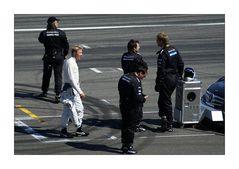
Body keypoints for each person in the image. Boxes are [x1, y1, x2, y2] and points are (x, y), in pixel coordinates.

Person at [155, 32, 184, 132]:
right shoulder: (174, 49)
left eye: (157, 40)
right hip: (174, 78)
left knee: (166, 101)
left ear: (161, 41)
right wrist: (179, 75)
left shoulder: (163, 54)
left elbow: (161, 70)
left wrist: (158, 83)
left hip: (166, 79)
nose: (156, 42)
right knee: (162, 100)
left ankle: (169, 123)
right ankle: (164, 119)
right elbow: (181, 63)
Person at [118, 61, 148, 154]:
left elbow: (120, 88)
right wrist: (144, 98)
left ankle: (124, 144)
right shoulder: (135, 81)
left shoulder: (124, 77)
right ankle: (128, 146)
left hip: (123, 104)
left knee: (124, 125)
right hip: (132, 107)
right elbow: (137, 97)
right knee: (131, 127)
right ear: (139, 73)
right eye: (144, 75)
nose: (144, 77)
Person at [60, 45, 89, 138]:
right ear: (74, 53)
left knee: (66, 111)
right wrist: (80, 91)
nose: (81, 54)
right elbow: (71, 79)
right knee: (78, 109)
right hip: (70, 90)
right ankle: (78, 128)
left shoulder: (70, 62)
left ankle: (64, 130)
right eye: (80, 52)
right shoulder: (70, 63)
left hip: (71, 90)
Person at [38, 16, 69, 103]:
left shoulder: (44, 33)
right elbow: (66, 46)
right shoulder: (62, 33)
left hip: (48, 56)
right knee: (58, 76)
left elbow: (41, 40)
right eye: (56, 22)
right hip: (59, 57)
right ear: (52, 23)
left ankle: (44, 91)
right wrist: (64, 54)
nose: (58, 23)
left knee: (46, 75)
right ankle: (57, 95)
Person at [121, 39, 146, 132]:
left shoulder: (124, 56)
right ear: (134, 48)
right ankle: (136, 124)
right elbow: (144, 67)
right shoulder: (137, 57)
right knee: (138, 102)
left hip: (125, 80)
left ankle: (127, 120)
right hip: (135, 80)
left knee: (126, 101)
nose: (139, 47)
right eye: (138, 46)